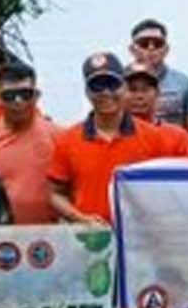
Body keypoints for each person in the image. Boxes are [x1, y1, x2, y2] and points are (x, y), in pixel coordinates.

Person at [50, 52, 172, 224]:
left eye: (112, 84)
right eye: (97, 86)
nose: (106, 93)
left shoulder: (153, 137)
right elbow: (54, 193)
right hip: (90, 235)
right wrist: (79, 218)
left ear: (124, 87)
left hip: (138, 235)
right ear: (87, 92)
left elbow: (166, 191)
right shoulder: (67, 140)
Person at [0, 61, 62, 224]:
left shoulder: (58, 136)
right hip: (1, 233)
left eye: (25, 94)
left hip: (51, 233)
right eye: (10, 95)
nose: (18, 101)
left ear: (36, 96)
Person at [127, 19, 188, 129]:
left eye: (157, 44)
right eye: (144, 44)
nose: (151, 48)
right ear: (132, 49)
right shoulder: (119, 82)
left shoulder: (185, 83)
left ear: (166, 49)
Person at [123, 63, 188, 155]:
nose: (139, 96)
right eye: (132, 90)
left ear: (157, 93)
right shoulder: (111, 135)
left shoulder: (178, 137)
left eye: (145, 90)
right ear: (121, 93)